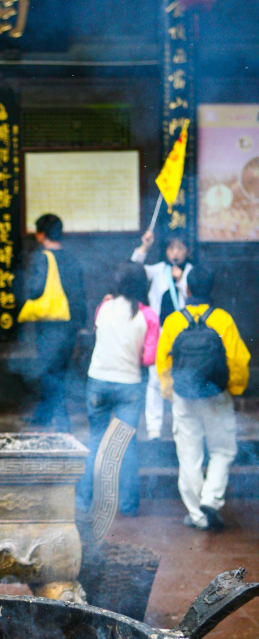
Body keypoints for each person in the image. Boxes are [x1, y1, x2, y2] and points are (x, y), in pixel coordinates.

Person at [156, 265, 250, 532]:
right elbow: (239, 360)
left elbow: (161, 362)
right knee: (222, 450)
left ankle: (198, 514)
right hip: (216, 394)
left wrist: (169, 392)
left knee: (189, 455)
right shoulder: (222, 320)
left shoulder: (174, 321)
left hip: (184, 396)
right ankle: (211, 500)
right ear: (212, 290)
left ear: (187, 290)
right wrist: (234, 388)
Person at [76, 263, 159, 516]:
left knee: (95, 439)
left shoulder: (104, 307)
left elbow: (98, 334)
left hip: (98, 381)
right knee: (126, 446)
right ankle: (128, 505)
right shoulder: (148, 315)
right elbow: (148, 359)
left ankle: (83, 500)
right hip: (129, 385)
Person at [16, 214, 86, 433]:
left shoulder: (42, 257)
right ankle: (44, 415)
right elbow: (80, 293)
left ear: (42, 234)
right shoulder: (72, 258)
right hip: (71, 323)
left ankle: (61, 421)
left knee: (50, 371)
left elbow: (37, 289)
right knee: (60, 370)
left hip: (50, 324)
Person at [131, 228, 192, 440]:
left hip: (184, 333)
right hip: (159, 333)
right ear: (165, 251)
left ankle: (179, 425)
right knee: (155, 380)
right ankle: (153, 426)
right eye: (171, 248)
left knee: (181, 379)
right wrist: (144, 247)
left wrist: (181, 280)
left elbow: (193, 296)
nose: (175, 252)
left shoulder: (191, 271)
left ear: (187, 251)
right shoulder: (158, 270)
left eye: (180, 248)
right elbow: (134, 269)